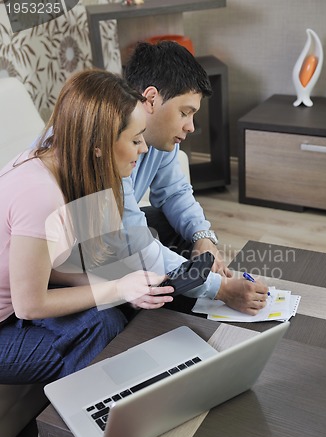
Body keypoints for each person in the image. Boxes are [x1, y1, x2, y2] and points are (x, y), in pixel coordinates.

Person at [0, 69, 174, 384]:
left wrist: (115, 282)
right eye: (135, 140)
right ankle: (66, 427)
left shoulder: (54, 163)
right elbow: (29, 304)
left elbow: (43, 265)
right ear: (98, 144)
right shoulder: (40, 195)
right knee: (103, 325)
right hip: (8, 323)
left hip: (18, 301)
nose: (144, 149)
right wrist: (116, 288)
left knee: (118, 290)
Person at [122, 41, 269, 313]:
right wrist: (220, 289)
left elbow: (174, 192)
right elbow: (131, 242)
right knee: (150, 243)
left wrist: (204, 238)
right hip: (77, 253)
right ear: (151, 98)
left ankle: (190, 293)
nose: (190, 127)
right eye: (184, 113)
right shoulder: (109, 142)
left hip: (113, 236)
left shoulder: (159, 139)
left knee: (179, 228)